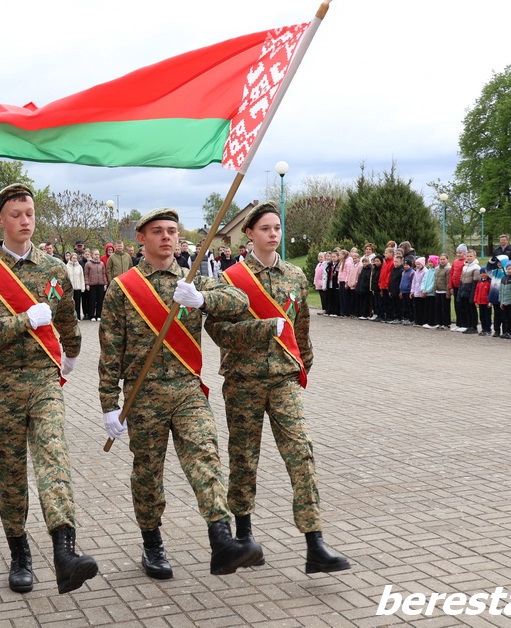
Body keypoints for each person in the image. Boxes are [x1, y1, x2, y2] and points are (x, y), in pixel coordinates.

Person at [98, 207, 262, 580]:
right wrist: (109, 405)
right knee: (147, 474)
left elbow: (241, 301)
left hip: (188, 389)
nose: (167, 237)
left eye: (172, 230)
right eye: (158, 231)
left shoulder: (193, 281)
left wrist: (204, 301)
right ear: (142, 238)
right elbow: (110, 352)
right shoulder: (123, 288)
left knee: (205, 458)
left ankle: (221, 542)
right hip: (144, 396)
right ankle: (152, 543)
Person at [0, 183, 97, 595]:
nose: (25, 221)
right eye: (16, 214)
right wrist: (23, 320)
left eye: (30, 213)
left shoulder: (53, 268)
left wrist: (70, 352)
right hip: (0, 385)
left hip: (42, 379)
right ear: (0, 219)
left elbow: (67, 318)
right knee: (11, 469)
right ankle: (19, 552)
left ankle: (64, 550)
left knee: (54, 454)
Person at [204, 202, 350, 576]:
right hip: (244, 381)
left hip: (284, 379)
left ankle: (314, 544)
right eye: (265, 228)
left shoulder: (295, 276)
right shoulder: (231, 278)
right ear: (249, 234)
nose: (273, 234)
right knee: (244, 458)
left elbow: (300, 329)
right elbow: (217, 330)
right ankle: (244, 538)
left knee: (301, 454)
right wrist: (262, 328)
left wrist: (303, 364)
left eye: (277, 228)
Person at [457, 249, 480, 334]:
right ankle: (469, 325)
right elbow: (461, 280)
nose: (469, 258)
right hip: (464, 290)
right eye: (468, 256)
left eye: (471, 256)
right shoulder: (465, 266)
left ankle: (474, 326)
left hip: (471, 291)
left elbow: (475, 283)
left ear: (475, 257)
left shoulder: (476, 268)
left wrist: (472, 295)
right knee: (467, 310)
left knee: (472, 310)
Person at [83, 249, 107, 322]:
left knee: (100, 301)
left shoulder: (102, 264)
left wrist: (105, 283)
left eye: (98, 254)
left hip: (100, 284)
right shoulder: (88, 264)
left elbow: (103, 274)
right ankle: (91, 315)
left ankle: (98, 315)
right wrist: (87, 284)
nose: (97, 256)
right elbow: (86, 274)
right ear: (92, 255)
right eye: (95, 254)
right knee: (92, 301)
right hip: (92, 285)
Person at [449, 244, 467, 331]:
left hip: (462, 287)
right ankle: (458, 323)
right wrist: (451, 286)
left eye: (461, 253)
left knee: (462, 305)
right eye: (458, 253)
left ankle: (464, 323)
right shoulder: (455, 262)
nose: (459, 254)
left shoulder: (466, 261)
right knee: (457, 305)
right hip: (455, 287)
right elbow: (451, 273)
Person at [65, 251, 86, 321]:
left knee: (77, 303)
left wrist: (82, 287)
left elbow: (82, 277)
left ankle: (78, 317)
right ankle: (71, 318)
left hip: (78, 287)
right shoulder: (66, 267)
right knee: (70, 304)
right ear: (70, 258)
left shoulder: (79, 267)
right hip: (70, 288)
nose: (74, 259)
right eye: (73, 258)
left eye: (76, 258)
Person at [434, 254, 452, 330]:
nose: (442, 261)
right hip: (438, 290)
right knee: (438, 308)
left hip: (444, 291)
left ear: (447, 260)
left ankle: (446, 323)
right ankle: (439, 322)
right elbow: (435, 280)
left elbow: (448, 281)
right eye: (441, 259)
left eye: (444, 259)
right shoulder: (437, 269)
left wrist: (448, 292)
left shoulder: (448, 269)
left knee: (445, 308)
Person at [474, 267, 492, 336]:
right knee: (482, 317)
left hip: (487, 303)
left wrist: (490, 301)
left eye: (484, 273)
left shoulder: (489, 282)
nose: (482, 274)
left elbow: (491, 292)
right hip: (480, 302)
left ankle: (488, 329)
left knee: (487, 316)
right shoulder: (479, 282)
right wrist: (476, 301)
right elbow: (476, 292)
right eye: (481, 273)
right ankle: (483, 329)